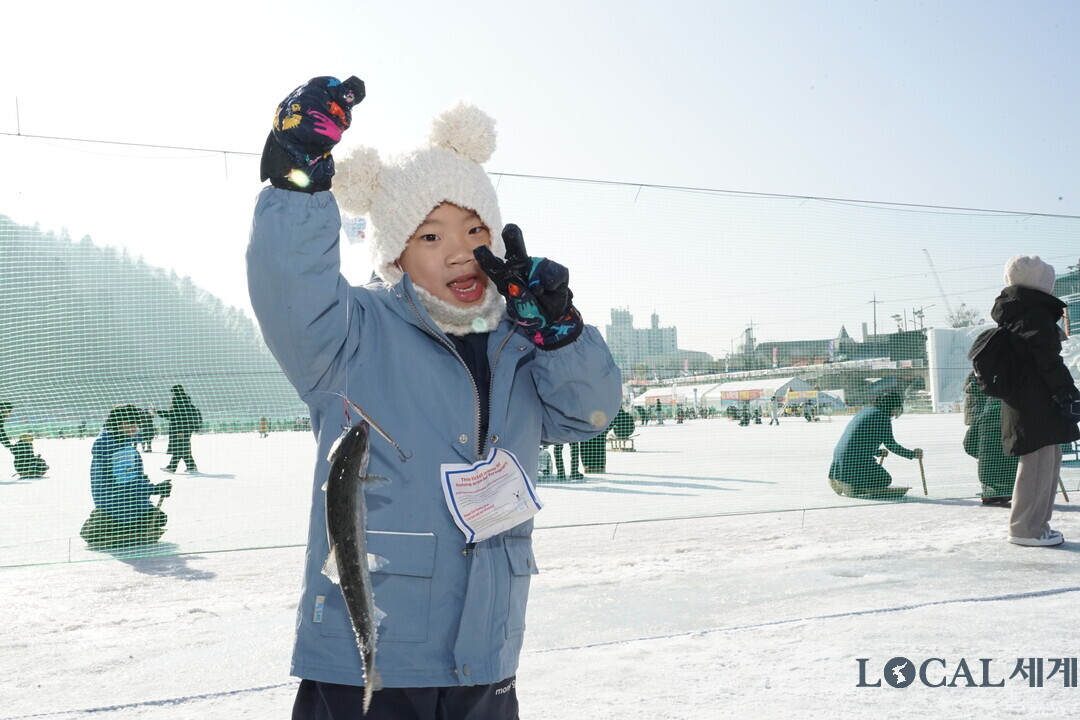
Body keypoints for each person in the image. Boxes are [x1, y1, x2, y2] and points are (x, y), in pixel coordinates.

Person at [247, 77, 622, 719]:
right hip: (367, 661)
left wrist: (561, 335)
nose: (461, 251)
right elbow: (291, 291)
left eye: (476, 229)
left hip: (486, 657)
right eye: (430, 235)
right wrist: (296, 180)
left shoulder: (520, 343)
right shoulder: (350, 337)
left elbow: (587, 416)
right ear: (394, 254)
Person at [991, 255, 1080, 546]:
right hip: (1037, 401)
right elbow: (1047, 360)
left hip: (1029, 399)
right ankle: (1026, 529)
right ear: (1040, 282)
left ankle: (1035, 525)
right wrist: (1068, 393)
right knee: (1039, 465)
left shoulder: (1018, 311)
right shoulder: (1033, 314)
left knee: (1044, 461)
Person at [81, 404, 172, 548]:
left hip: (107, 501)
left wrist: (143, 480)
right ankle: (111, 524)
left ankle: (108, 521)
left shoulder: (107, 442)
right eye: (134, 424)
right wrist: (154, 489)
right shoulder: (121, 450)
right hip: (123, 505)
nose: (136, 428)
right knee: (159, 518)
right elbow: (128, 485)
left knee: (156, 517)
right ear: (123, 423)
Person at [828, 391, 923, 498]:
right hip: (853, 461)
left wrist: (878, 452)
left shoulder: (867, 411)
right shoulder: (882, 418)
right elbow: (891, 445)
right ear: (892, 406)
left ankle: (838, 478)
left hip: (840, 458)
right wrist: (912, 454)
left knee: (876, 475)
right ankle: (850, 483)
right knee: (884, 479)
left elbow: (859, 442)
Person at [963, 394, 1017, 505]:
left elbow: (968, 445)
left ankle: (992, 493)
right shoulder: (1016, 417)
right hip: (1015, 476)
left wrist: (982, 455)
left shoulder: (982, 417)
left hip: (987, 477)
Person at [155, 384, 201, 473]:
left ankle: (173, 468)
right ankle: (190, 467)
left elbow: (173, 416)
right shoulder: (185, 402)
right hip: (186, 429)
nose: (172, 395)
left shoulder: (179, 402)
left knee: (180, 448)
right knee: (182, 448)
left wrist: (158, 412)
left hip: (180, 430)